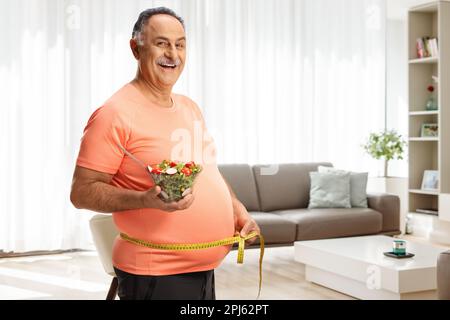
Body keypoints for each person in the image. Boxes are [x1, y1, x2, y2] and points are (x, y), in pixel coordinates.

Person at [70, 7, 260, 300]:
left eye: (180, 44)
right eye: (161, 43)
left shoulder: (189, 107)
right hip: (154, 274)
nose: (173, 54)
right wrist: (143, 200)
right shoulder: (114, 114)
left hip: (203, 270)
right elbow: (81, 192)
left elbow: (209, 171)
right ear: (136, 48)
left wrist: (236, 209)